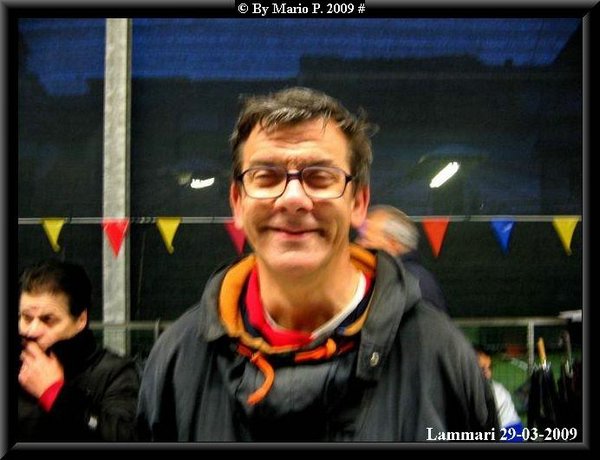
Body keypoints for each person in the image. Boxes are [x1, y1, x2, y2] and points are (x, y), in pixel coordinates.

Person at [137, 86, 497, 441]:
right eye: (267, 177)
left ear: (358, 202)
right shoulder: (178, 360)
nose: (293, 198)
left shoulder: (441, 356)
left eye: (319, 177)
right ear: (237, 202)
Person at [17, 259, 140, 441]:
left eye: (48, 320)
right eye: (27, 318)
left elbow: (124, 437)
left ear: (80, 320)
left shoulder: (115, 373)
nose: (32, 330)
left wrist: (56, 394)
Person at [356, 204, 450, 315]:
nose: (358, 244)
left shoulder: (408, 284)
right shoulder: (398, 278)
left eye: (365, 239)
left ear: (392, 244)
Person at [475, 345, 524, 440]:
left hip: (508, 433)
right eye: (483, 369)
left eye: (490, 367)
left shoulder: (496, 393)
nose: (488, 374)